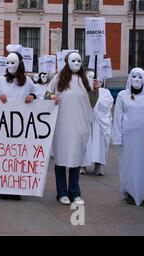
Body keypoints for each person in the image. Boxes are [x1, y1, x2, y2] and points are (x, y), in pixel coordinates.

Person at [45, 52, 98, 206]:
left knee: (76, 159)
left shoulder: (85, 79)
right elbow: (47, 93)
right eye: (73, 60)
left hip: (79, 126)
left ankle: (75, 193)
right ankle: (61, 193)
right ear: (67, 62)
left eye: (79, 61)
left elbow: (92, 103)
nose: (76, 63)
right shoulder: (58, 78)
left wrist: (95, 91)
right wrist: (51, 97)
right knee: (61, 159)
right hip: (62, 126)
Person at [0, 51, 37, 200]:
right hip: (3, 125)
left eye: (13, 63)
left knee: (18, 157)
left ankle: (16, 188)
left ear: (20, 64)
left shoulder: (28, 81)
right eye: (8, 63)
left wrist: (33, 96)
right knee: (4, 156)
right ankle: (3, 187)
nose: (10, 66)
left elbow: (39, 94)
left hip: (21, 125)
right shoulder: (0, 80)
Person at [112, 68, 144, 207]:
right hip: (129, 137)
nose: (137, 79)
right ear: (129, 78)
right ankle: (129, 192)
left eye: (140, 77)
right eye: (134, 76)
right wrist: (117, 137)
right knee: (129, 165)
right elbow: (118, 117)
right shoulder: (123, 95)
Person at [81, 72, 113, 176]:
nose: (95, 80)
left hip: (99, 122)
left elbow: (107, 104)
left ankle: (98, 166)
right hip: (87, 121)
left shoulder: (105, 92)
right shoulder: (83, 91)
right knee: (86, 143)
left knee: (99, 144)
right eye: (91, 77)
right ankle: (83, 165)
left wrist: (98, 99)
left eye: (98, 78)